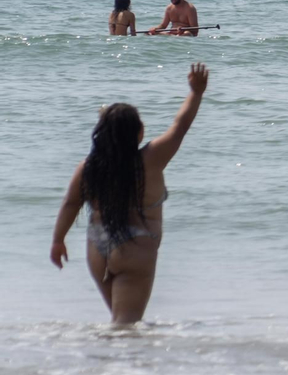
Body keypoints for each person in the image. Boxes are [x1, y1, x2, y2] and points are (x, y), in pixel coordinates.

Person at [50, 63, 209, 325]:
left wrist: (58, 240)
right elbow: (180, 126)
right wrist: (196, 93)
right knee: (125, 327)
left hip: (96, 246)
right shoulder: (151, 158)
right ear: (139, 132)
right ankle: (121, 366)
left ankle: (104, 363)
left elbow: (70, 203)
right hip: (135, 247)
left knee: (119, 323)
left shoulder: (89, 167)